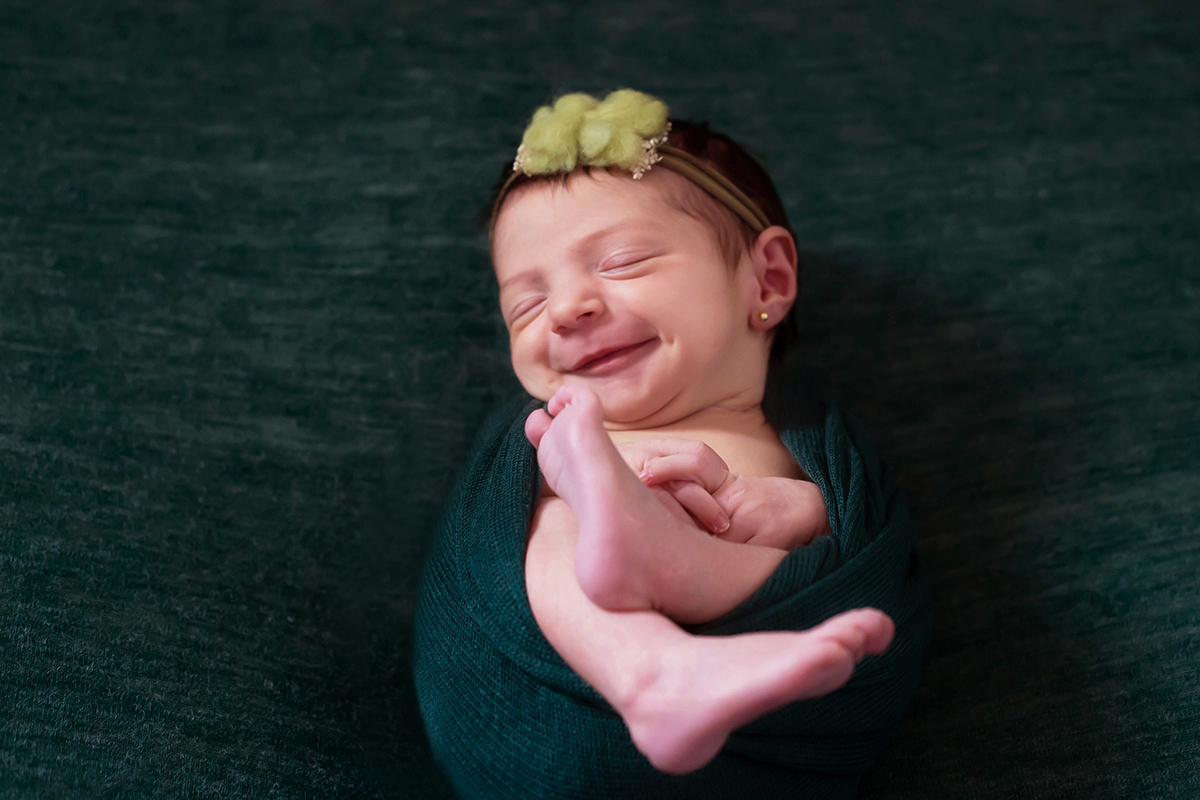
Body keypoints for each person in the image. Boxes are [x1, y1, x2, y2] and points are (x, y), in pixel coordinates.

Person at [487, 89, 896, 775]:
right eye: (525, 306)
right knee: (554, 529)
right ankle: (650, 665)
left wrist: (804, 511)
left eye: (620, 262)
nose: (565, 310)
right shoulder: (554, 437)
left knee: (794, 560)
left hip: (752, 662)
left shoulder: (813, 445)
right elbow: (481, 577)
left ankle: (659, 558)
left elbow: (862, 557)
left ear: (766, 279)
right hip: (593, 674)